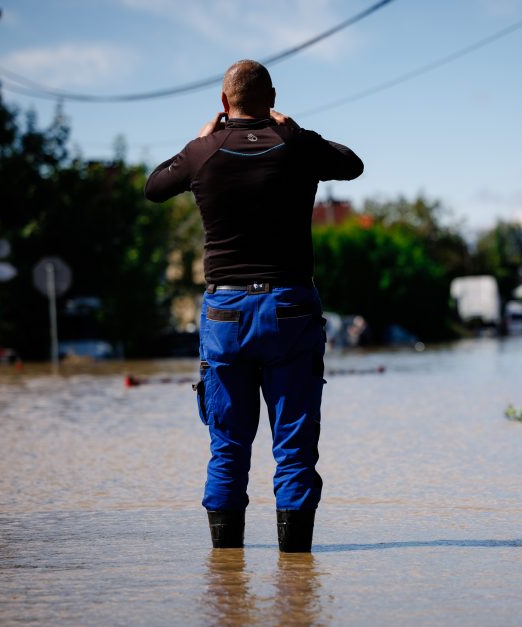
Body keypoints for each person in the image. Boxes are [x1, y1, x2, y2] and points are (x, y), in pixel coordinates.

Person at [145, 59, 363, 552]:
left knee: (227, 448)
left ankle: (226, 583)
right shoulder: (296, 147)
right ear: (273, 100)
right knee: (294, 449)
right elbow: (352, 164)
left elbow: (153, 187)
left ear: (224, 104)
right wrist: (298, 133)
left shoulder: (203, 152)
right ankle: (296, 583)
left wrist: (198, 140)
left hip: (224, 317)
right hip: (289, 311)